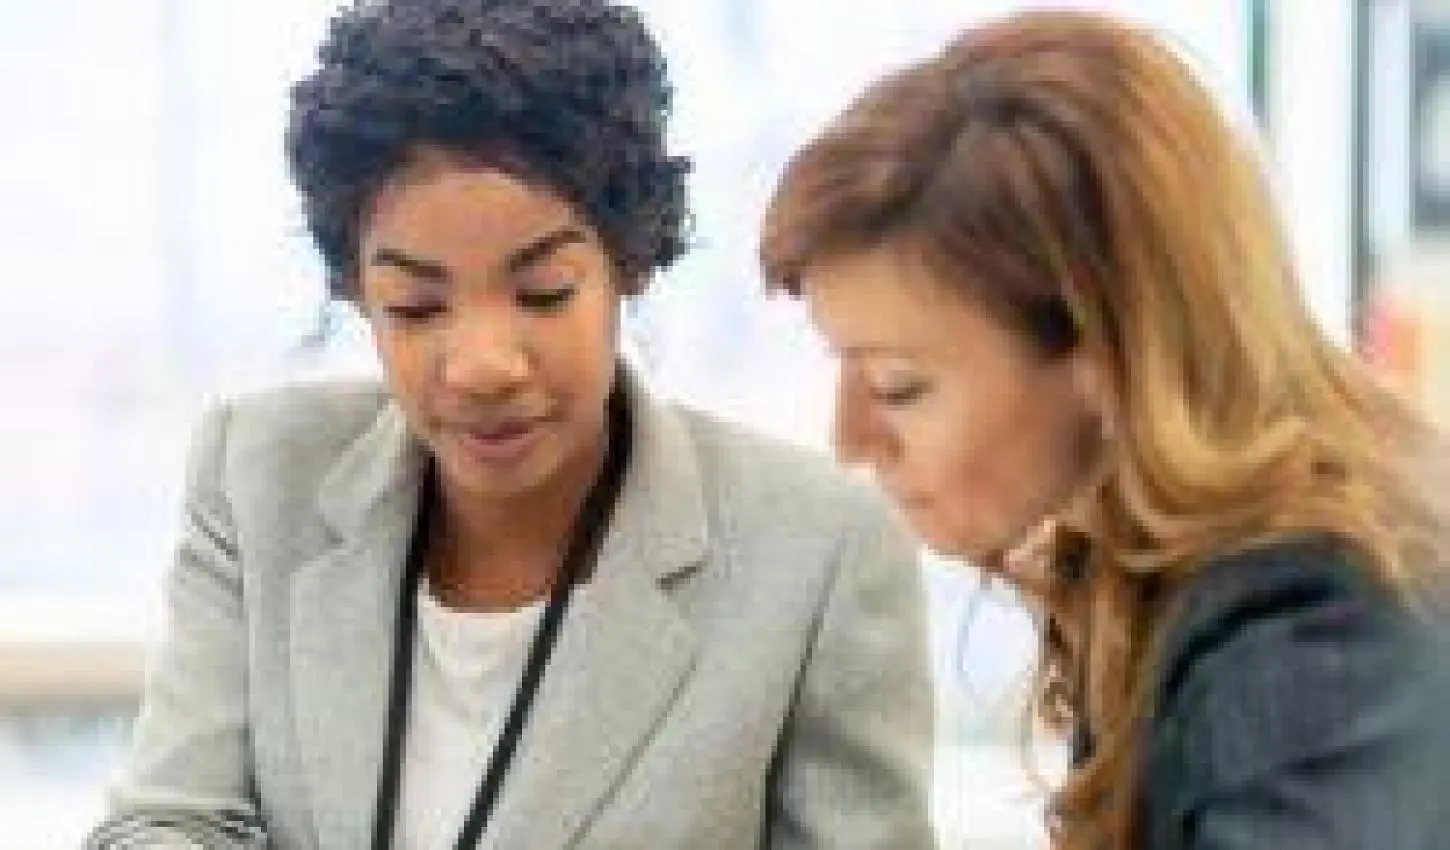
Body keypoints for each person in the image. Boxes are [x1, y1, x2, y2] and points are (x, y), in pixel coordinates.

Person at [87, 1, 935, 848]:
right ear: (356, 292)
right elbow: (165, 821)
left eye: (543, 294)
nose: (483, 366)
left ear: (631, 260)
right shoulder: (257, 472)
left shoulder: (819, 548)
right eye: (416, 307)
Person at [760, 9, 1450, 850]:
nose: (848, 440)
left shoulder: (1310, 634)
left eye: (897, 386)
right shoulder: (1149, 580)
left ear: (1109, 353)